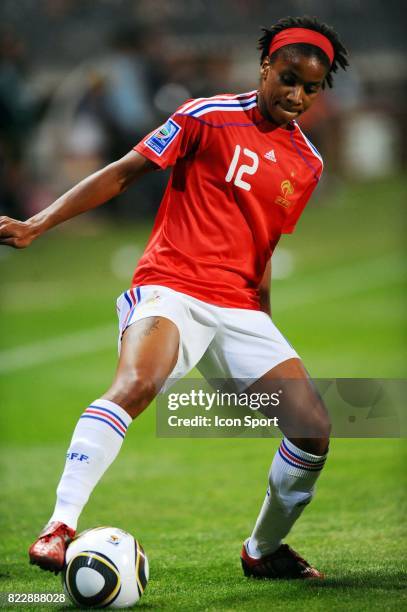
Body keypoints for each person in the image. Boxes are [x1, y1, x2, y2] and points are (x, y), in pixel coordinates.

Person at [0, 16, 348, 579]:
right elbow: (122, 173)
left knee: (313, 430)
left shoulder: (307, 164)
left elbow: (263, 248)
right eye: (288, 78)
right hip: (171, 286)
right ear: (265, 67)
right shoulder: (205, 117)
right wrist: (37, 224)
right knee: (136, 384)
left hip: (238, 306)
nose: (297, 95)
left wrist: (262, 334)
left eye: (311, 88)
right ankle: (58, 526)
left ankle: (262, 552)